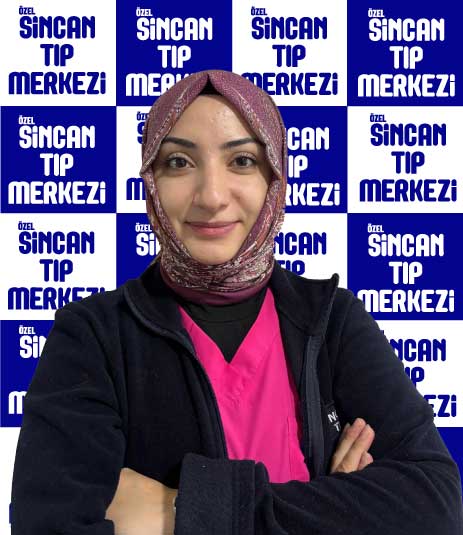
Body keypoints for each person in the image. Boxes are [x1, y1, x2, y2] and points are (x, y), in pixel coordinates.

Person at [10, 70, 462, 535]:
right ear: (150, 184)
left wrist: (177, 510)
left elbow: (435, 507)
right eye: (179, 162)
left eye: (242, 160)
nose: (211, 196)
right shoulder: (93, 335)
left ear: (275, 180)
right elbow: (49, 524)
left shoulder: (331, 320)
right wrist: (339, 508)